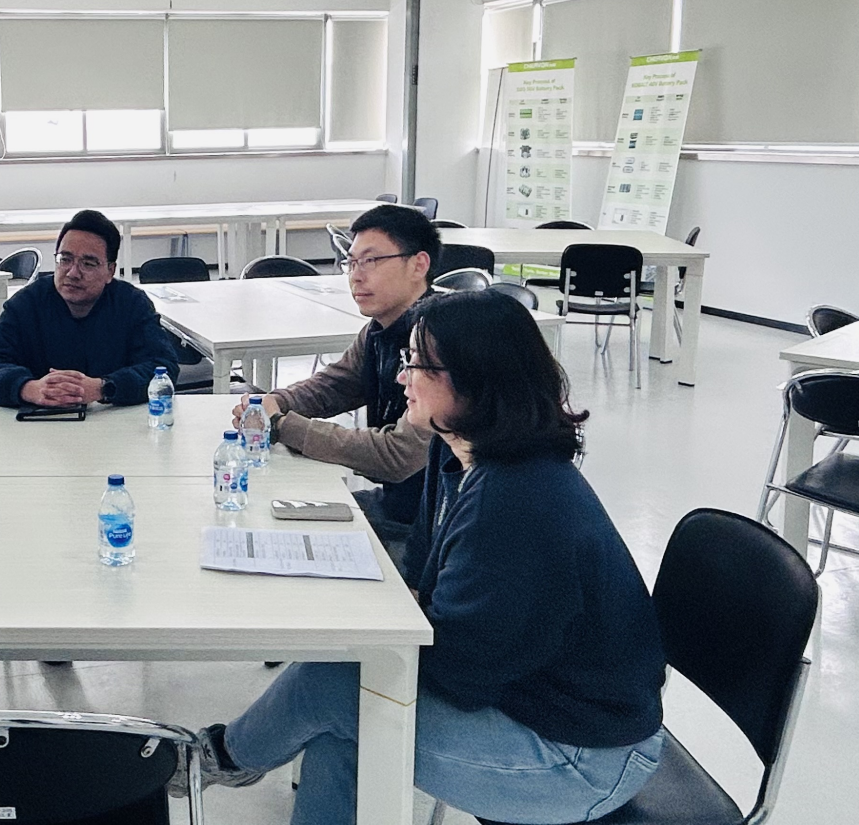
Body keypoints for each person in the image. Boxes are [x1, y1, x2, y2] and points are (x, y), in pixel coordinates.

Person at [179, 290, 666, 825]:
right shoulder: (453, 450)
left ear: (476, 379)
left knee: (335, 686)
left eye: (416, 364)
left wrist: (363, 635)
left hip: (583, 757)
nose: (400, 377)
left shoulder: (517, 498)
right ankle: (226, 757)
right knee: (347, 711)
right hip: (535, 707)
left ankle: (215, 759)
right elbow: (420, 570)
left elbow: (463, 673)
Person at [236, 203, 440, 543]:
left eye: (371, 261)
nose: (356, 276)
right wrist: (273, 402)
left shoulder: (441, 340)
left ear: (418, 265)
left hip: (429, 524)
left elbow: (398, 455)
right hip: (396, 504)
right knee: (265, 512)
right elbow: (333, 386)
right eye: (351, 262)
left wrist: (282, 425)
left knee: (280, 531)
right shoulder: (379, 330)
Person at [0, 209, 180, 409]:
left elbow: (164, 367)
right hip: (37, 424)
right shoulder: (27, 303)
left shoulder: (132, 304)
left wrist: (104, 387)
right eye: (65, 259)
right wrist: (29, 388)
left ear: (110, 271)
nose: (72, 273)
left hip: (113, 422)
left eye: (88, 263)